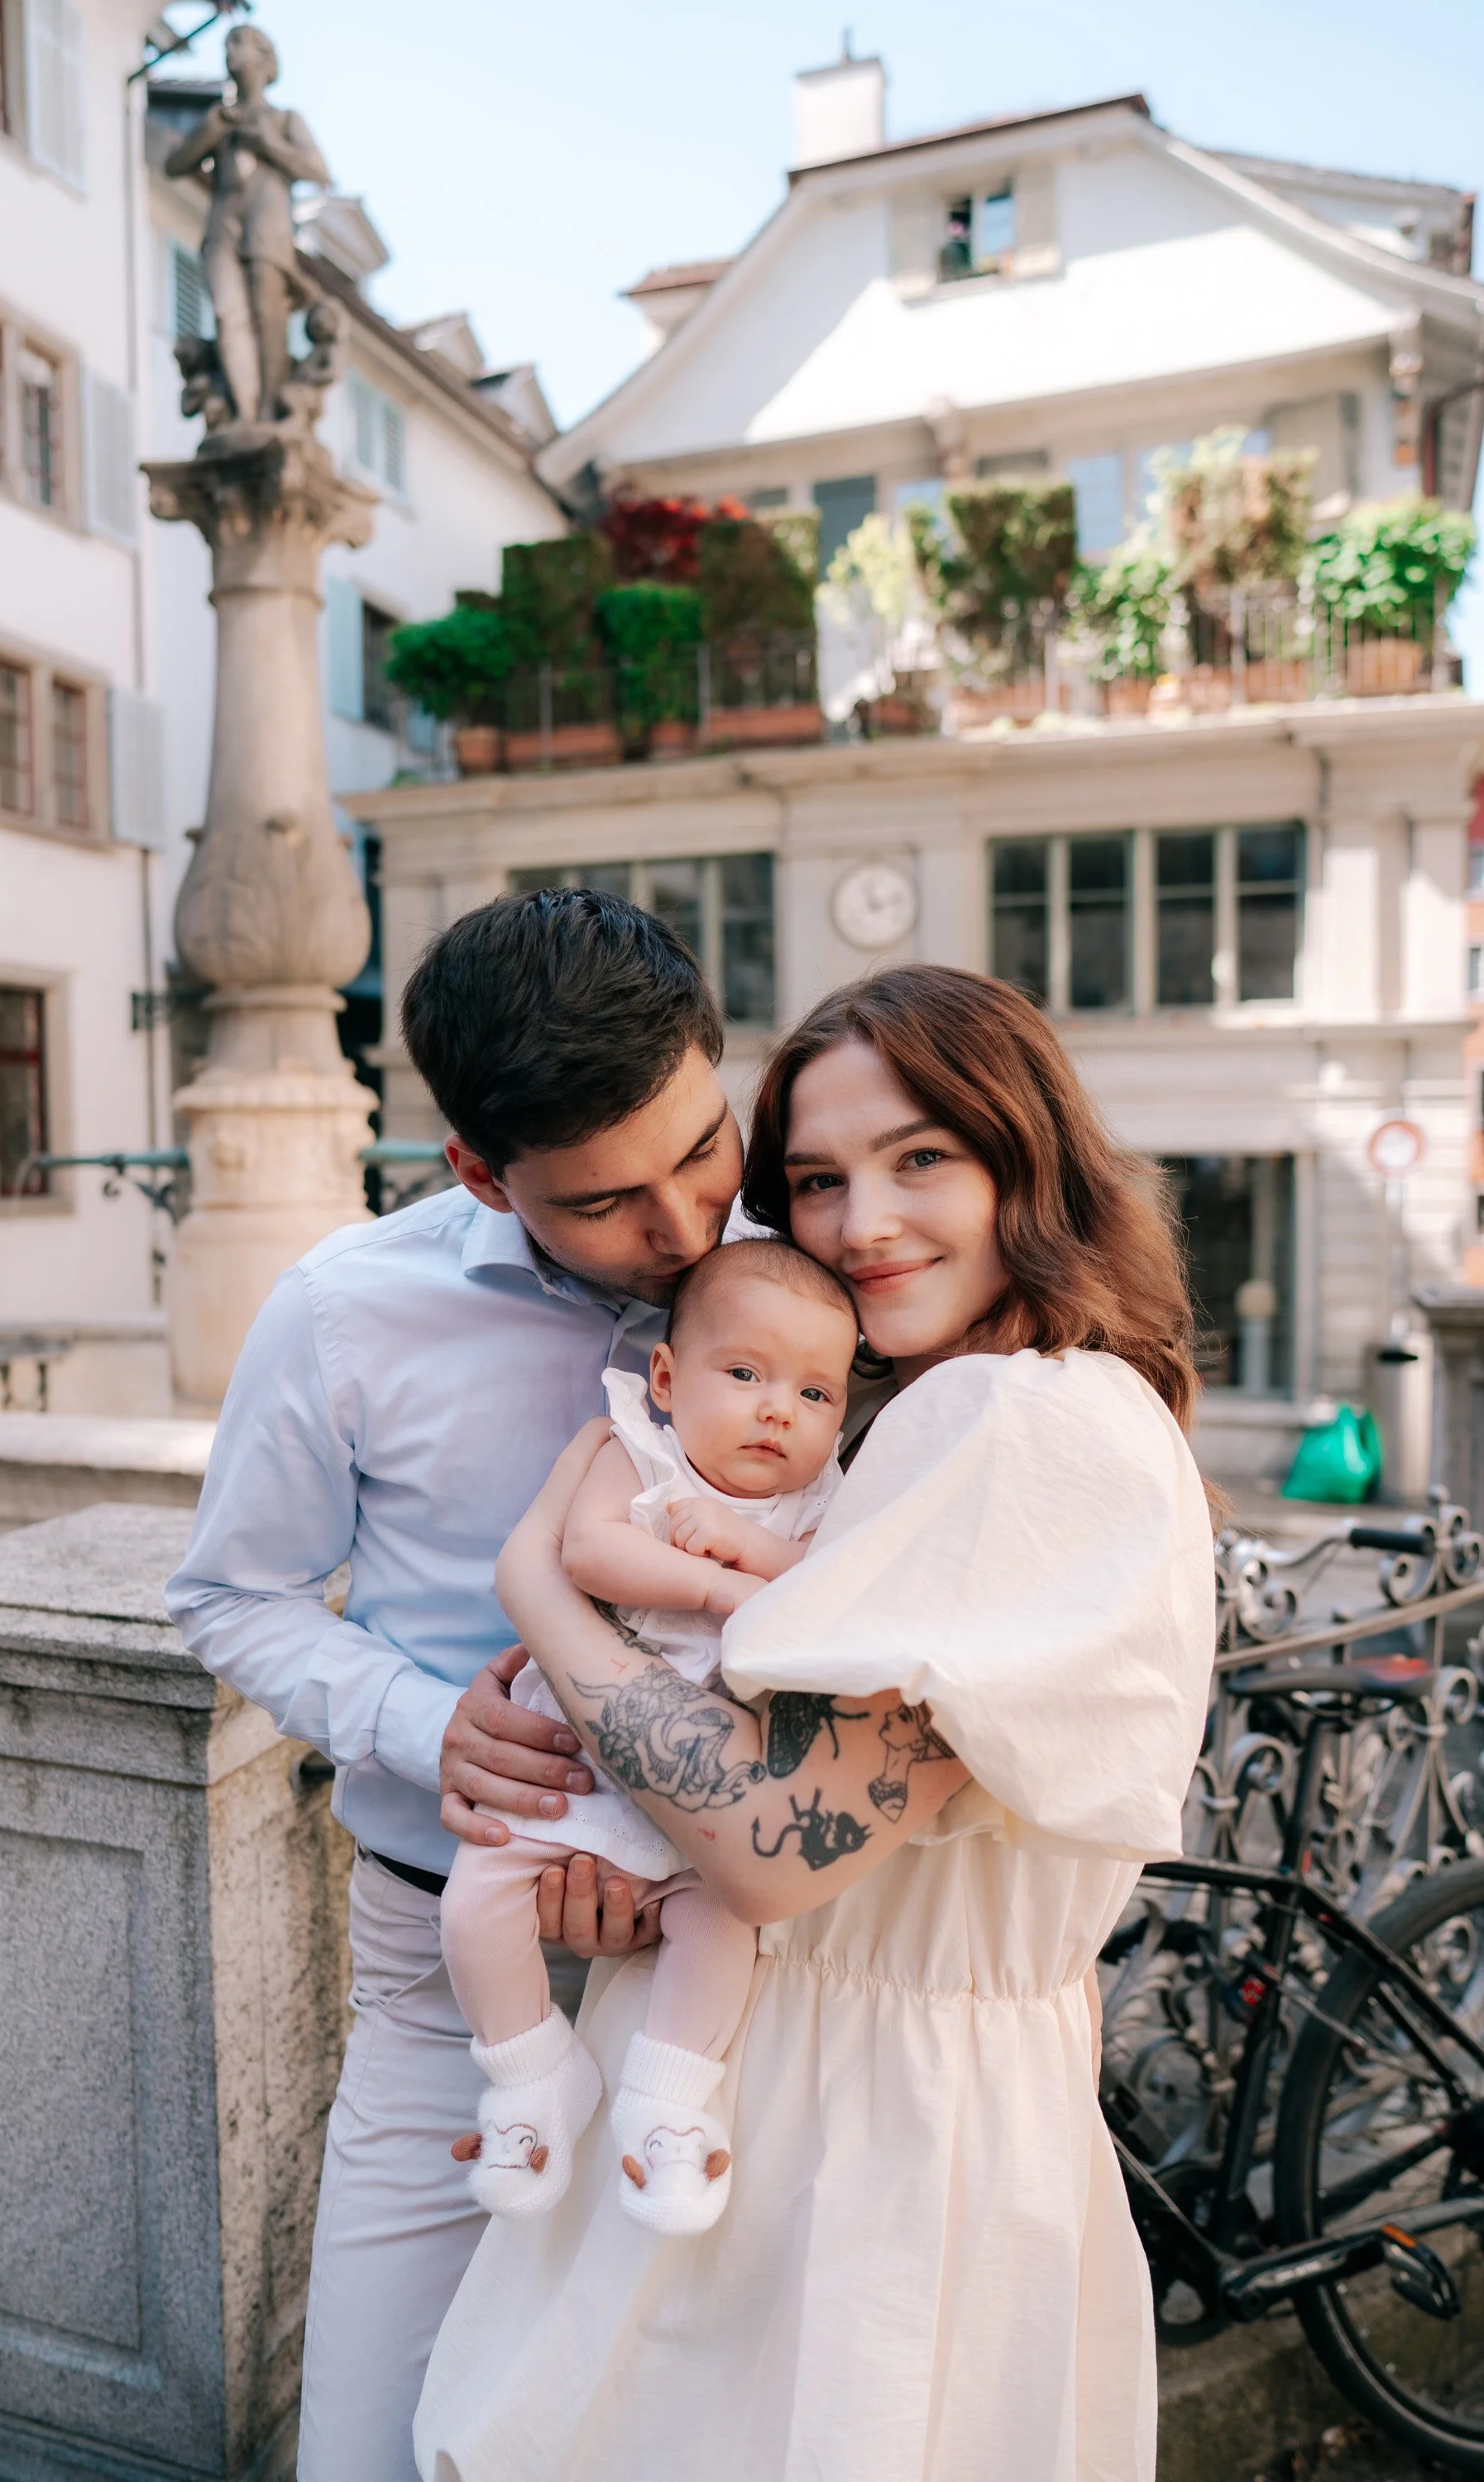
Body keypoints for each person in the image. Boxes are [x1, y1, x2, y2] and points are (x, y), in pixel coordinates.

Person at [414, 963, 1219, 2482]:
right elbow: (794, 1815)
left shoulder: (1019, 1420)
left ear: (1026, 1159)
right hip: (806, 2097)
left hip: (862, 2142)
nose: (861, 1226)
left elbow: (772, 1851)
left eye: (923, 1159)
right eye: (815, 1180)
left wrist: (544, 1591)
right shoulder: (921, 1417)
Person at [166, 890, 743, 2482]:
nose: (689, 1233)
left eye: (705, 1147)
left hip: (741, 1973)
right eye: (612, 1201)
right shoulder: (344, 1313)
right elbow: (230, 1593)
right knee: (373, 2441)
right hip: (445, 1966)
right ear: (479, 1174)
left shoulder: (807, 1283)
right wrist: (429, 1729)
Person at [438, 1239, 854, 2238]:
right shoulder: (637, 1446)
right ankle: (531, 2077)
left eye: (814, 1393)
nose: (776, 1410)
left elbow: (835, 1598)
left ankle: (671, 2105)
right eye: (745, 1374)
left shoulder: (820, 1506)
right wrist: (721, 1584)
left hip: (705, 1796)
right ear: (667, 1378)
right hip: (575, 1765)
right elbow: (589, 1549)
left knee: (719, 1927)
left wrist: (763, 1552)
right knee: (474, 1906)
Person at [163, 24, 331, 426]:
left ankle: (268, 413)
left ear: (264, 58)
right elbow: (174, 164)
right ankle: (243, 411)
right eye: (227, 46)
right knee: (227, 313)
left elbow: (318, 170)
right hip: (224, 227)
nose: (230, 53)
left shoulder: (284, 119)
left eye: (239, 44)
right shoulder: (221, 118)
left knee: (266, 319)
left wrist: (267, 144)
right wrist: (214, 127)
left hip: (267, 232)